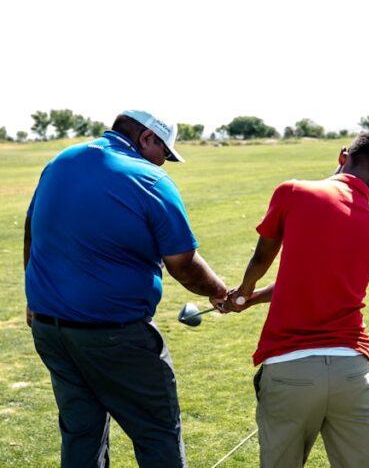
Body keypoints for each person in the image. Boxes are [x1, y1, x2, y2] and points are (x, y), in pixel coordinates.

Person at [24, 110, 229, 467]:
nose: (165, 161)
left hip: (50, 330)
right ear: (148, 137)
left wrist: (31, 296)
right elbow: (183, 264)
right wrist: (218, 290)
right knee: (157, 433)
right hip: (114, 336)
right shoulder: (150, 178)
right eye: (165, 152)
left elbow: (31, 228)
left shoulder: (61, 160)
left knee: (81, 434)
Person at [223, 131, 369, 468]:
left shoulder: (293, 192)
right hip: (352, 372)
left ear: (342, 154)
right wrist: (256, 297)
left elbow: (262, 258)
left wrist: (243, 293)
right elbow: (311, 283)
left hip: (289, 368)